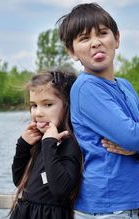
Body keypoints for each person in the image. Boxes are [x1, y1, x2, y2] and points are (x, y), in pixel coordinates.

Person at [57, 3, 139, 218]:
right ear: (72, 51)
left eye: (103, 33)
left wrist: (135, 149)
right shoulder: (87, 88)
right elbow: (131, 136)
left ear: (116, 39)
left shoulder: (125, 86)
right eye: (84, 38)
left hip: (129, 207)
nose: (96, 43)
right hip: (105, 208)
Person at [9, 70, 82, 219]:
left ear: (67, 106)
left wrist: (49, 144)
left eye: (48, 104)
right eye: (34, 105)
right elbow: (19, 181)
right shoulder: (41, 141)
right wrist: (23, 145)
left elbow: (60, 190)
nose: (38, 113)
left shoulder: (70, 144)